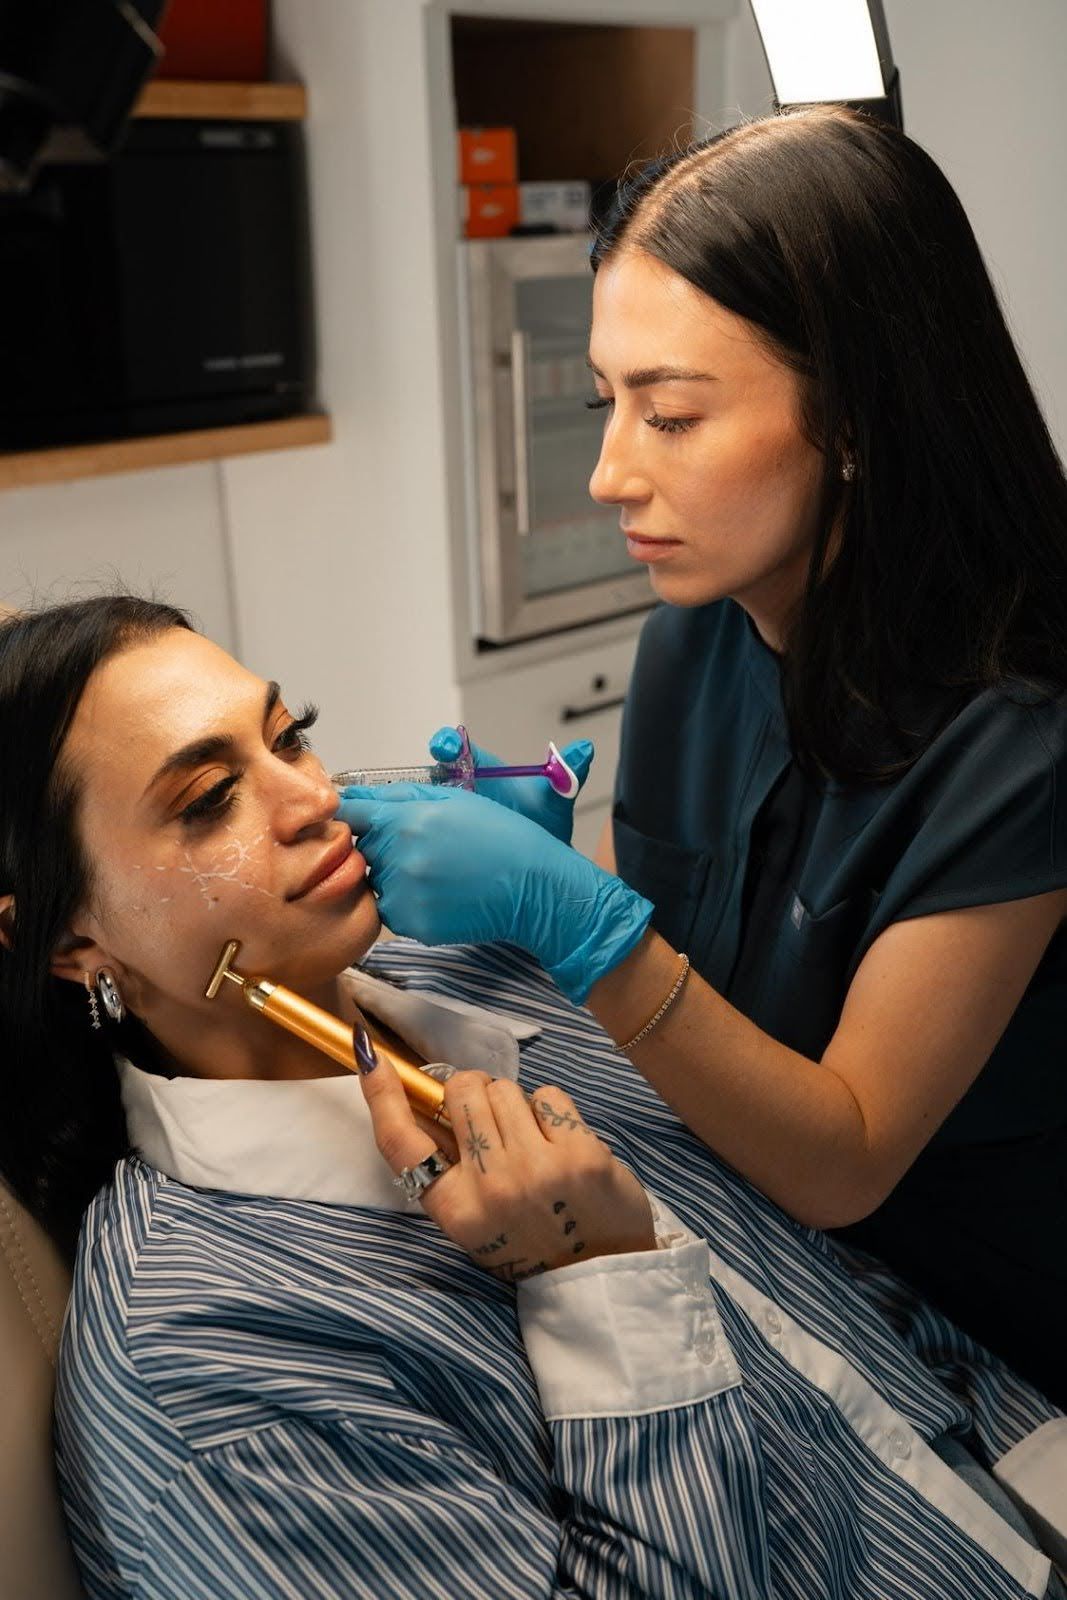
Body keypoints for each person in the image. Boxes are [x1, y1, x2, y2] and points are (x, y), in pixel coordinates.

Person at [1, 595, 1064, 1599]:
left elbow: (828, 1298)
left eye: (288, 736)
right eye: (207, 799)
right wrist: (600, 1287)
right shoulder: (203, 1369)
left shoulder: (471, 975)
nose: (311, 797)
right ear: (64, 938)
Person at [338, 106, 1067, 1407]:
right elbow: (707, 901)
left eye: (668, 414)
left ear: (852, 419)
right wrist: (551, 869)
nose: (611, 472)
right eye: (601, 401)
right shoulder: (700, 636)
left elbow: (845, 1157)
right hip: (777, 1258)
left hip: (986, 1326)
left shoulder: (1018, 740)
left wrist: (590, 930)